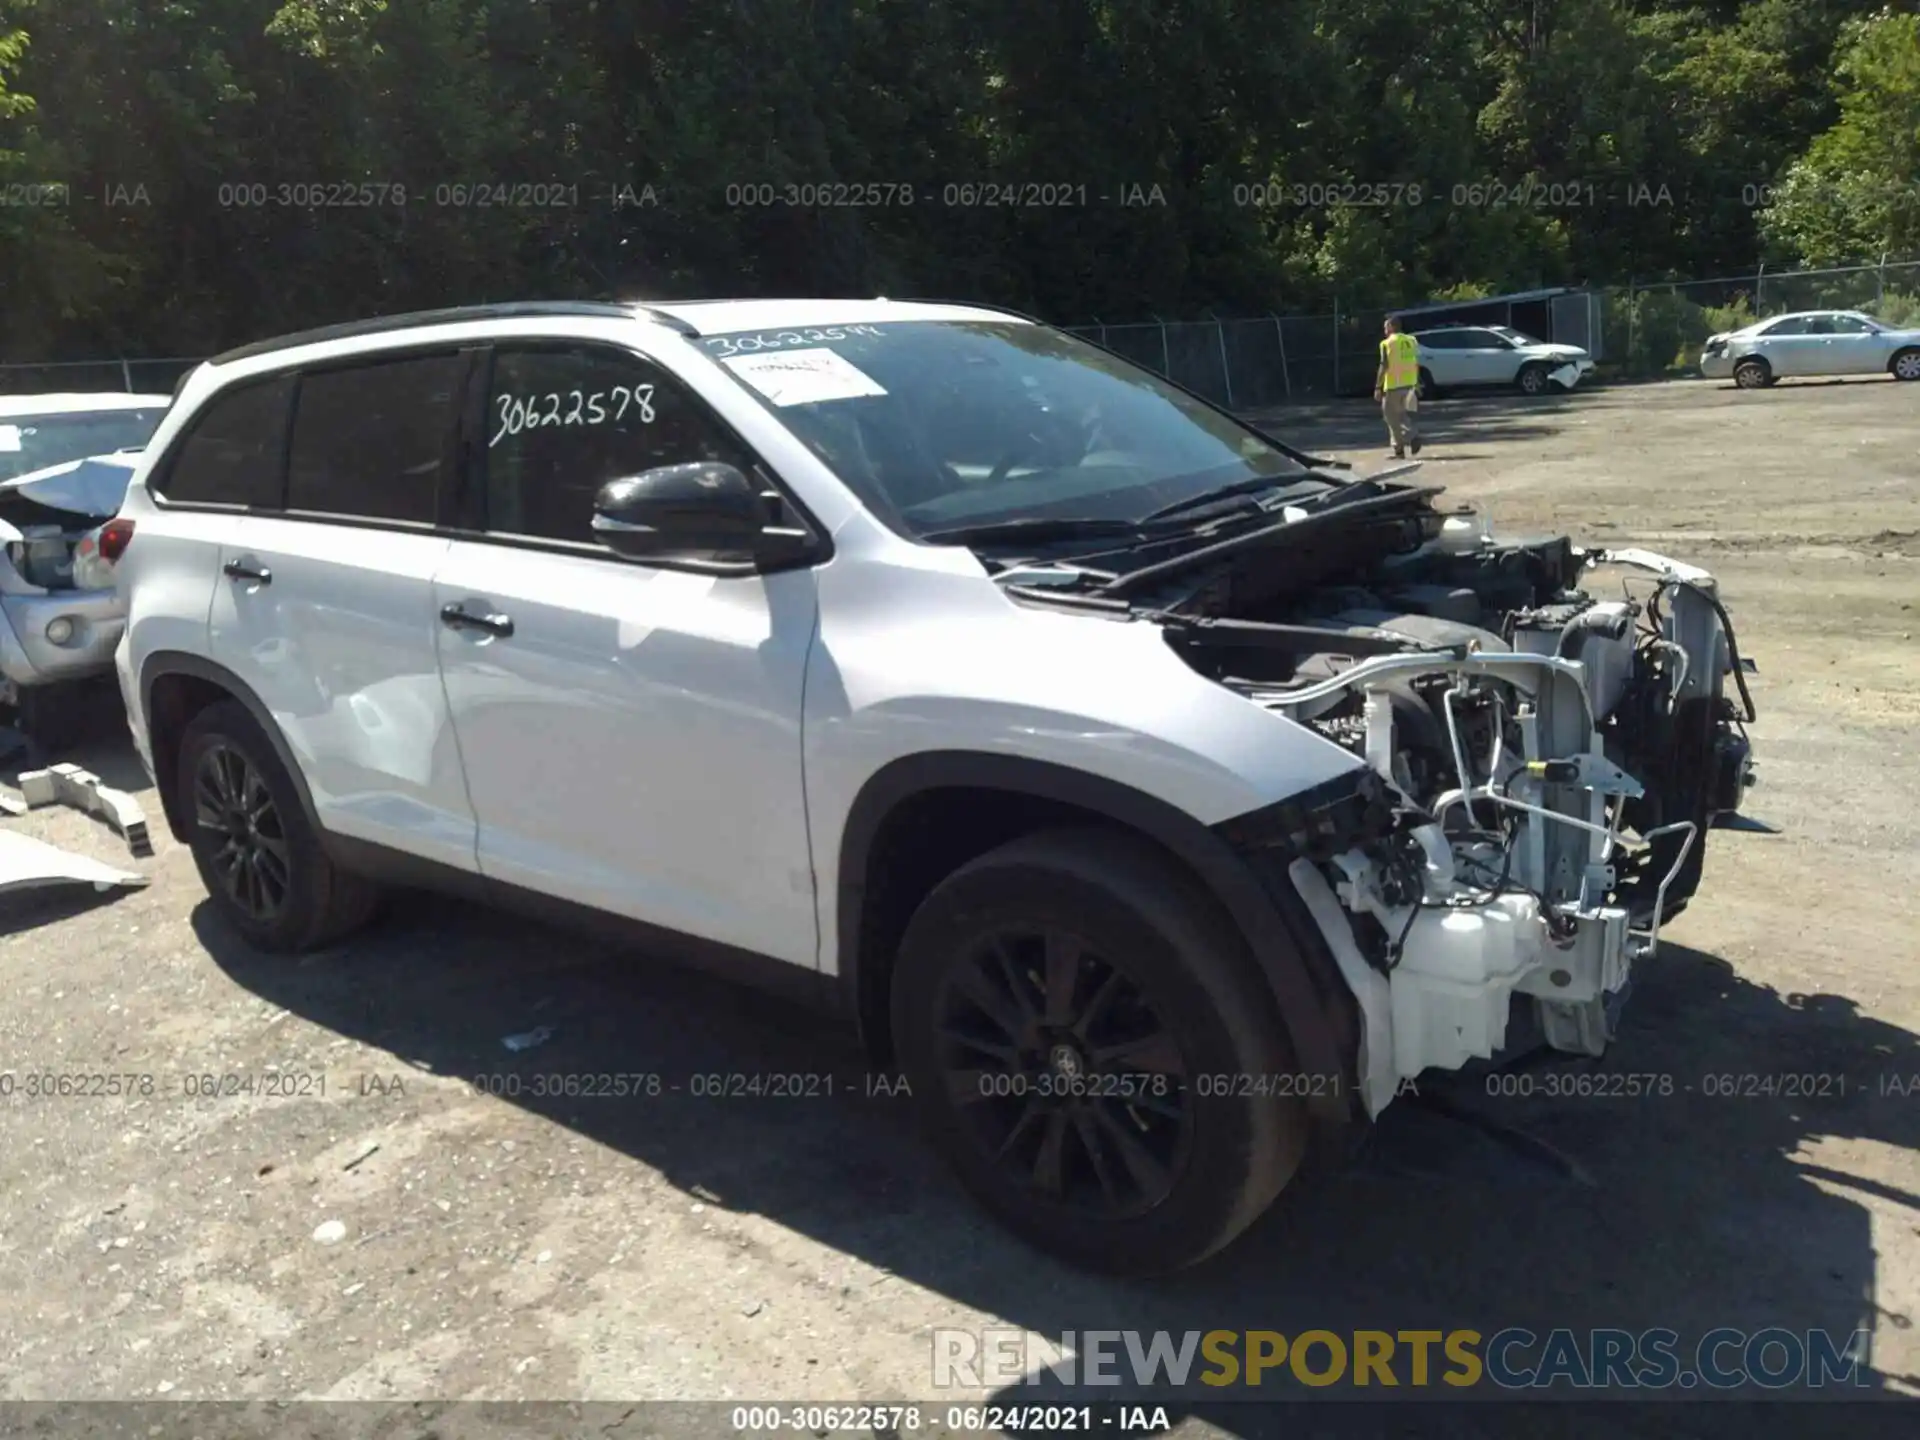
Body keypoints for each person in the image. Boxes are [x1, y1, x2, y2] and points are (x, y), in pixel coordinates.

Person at [1374, 315, 1423, 459]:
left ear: (1391, 327)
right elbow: (1415, 362)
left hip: (1393, 385)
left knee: (1390, 417)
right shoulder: (1412, 340)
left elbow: (1384, 365)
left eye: (1385, 327)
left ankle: (1411, 438)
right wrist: (1417, 382)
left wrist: (1378, 386)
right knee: (1400, 415)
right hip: (1408, 384)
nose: (1384, 330)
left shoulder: (1387, 343)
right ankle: (1399, 450)